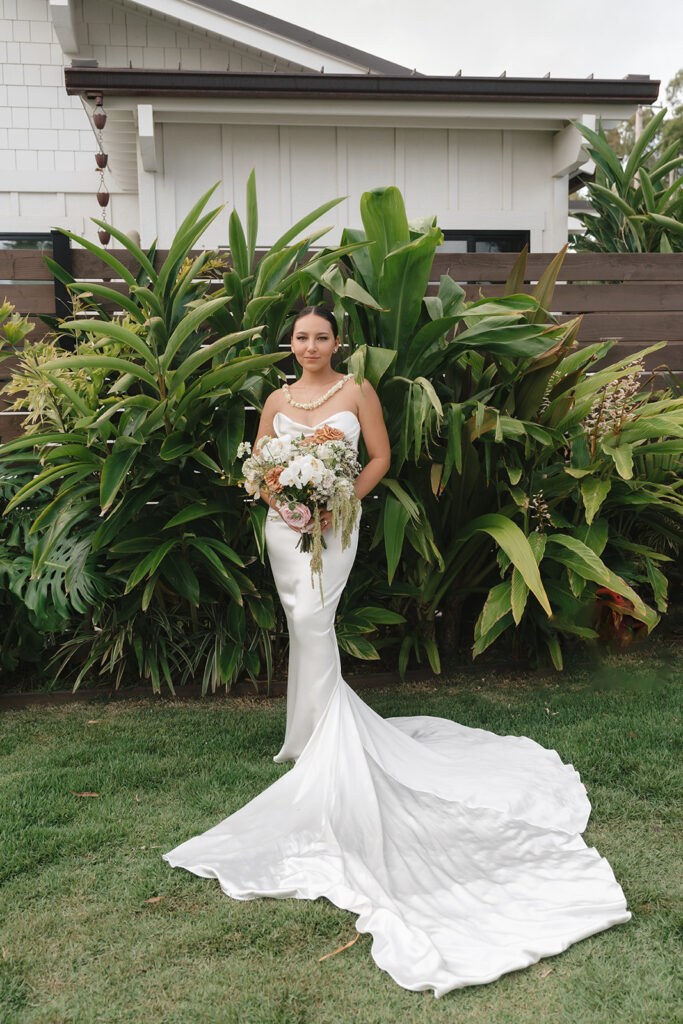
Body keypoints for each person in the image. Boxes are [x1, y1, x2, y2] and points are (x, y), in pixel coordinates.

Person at [163, 306, 632, 998]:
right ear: (288, 345)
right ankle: (309, 737)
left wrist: (334, 498)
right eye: (301, 336)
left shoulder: (355, 393)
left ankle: (327, 746)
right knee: (300, 622)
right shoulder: (274, 398)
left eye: (321, 335)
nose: (311, 345)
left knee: (317, 621)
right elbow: (258, 465)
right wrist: (283, 498)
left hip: (338, 523)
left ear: (335, 343)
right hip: (283, 529)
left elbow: (380, 456)